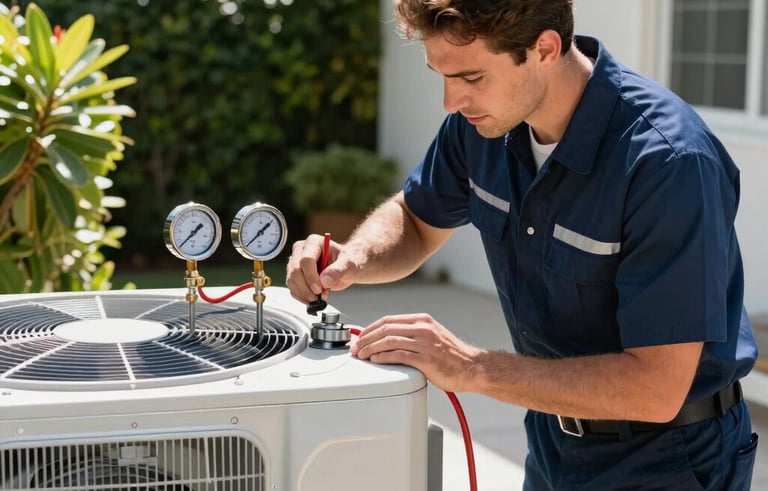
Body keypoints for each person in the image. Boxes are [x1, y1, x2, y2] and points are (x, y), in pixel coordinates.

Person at [285, 0, 759, 489]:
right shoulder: (484, 125)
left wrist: (471, 367)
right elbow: (416, 219)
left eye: (471, 78)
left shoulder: (668, 163)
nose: (451, 102)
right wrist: (354, 257)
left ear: (545, 48)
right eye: (440, 76)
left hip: (671, 460)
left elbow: (657, 388)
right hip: (553, 441)